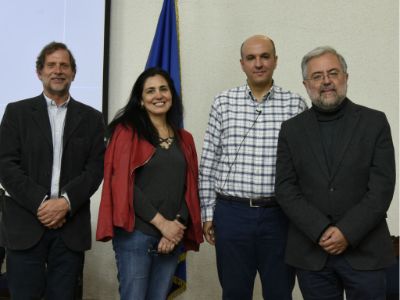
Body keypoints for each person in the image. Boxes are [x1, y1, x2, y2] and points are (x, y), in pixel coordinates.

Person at [275, 46, 396, 300]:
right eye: (317, 76)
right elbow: (286, 189)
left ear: (346, 77)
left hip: (366, 252)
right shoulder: (291, 130)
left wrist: (346, 232)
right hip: (311, 252)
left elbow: (382, 188)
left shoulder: (375, 122)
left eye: (333, 73)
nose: (326, 81)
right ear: (306, 84)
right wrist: (321, 230)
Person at [199, 34, 307, 299]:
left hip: (279, 217)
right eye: (251, 58)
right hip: (231, 214)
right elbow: (209, 162)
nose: (258, 63)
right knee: (235, 293)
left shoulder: (295, 104)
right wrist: (208, 213)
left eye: (264, 56)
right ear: (242, 64)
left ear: (275, 61)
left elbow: (304, 168)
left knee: (280, 292)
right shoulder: (223, 102)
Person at [0, 41, 105, 299]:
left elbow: (95, 168)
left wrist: (65, 203)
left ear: (73, 73)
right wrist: (42, 202)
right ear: (40, 72)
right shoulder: (17, 113)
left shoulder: (92, 118)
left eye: (64, 65)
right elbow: (5, 164)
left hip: (69, 228)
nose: (58, 70)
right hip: (25, 226)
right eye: (51, 65)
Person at [96, 67, 203, 300]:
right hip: (136, 235)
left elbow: (191, 188)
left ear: (172, 95)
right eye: (150, 91)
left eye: (163, 89)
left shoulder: (185, 139)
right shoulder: (126, 133)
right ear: (141, 101)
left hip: (172, 236)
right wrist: (162, 224)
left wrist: (175, 227)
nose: (158, 95)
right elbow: (122, 185)